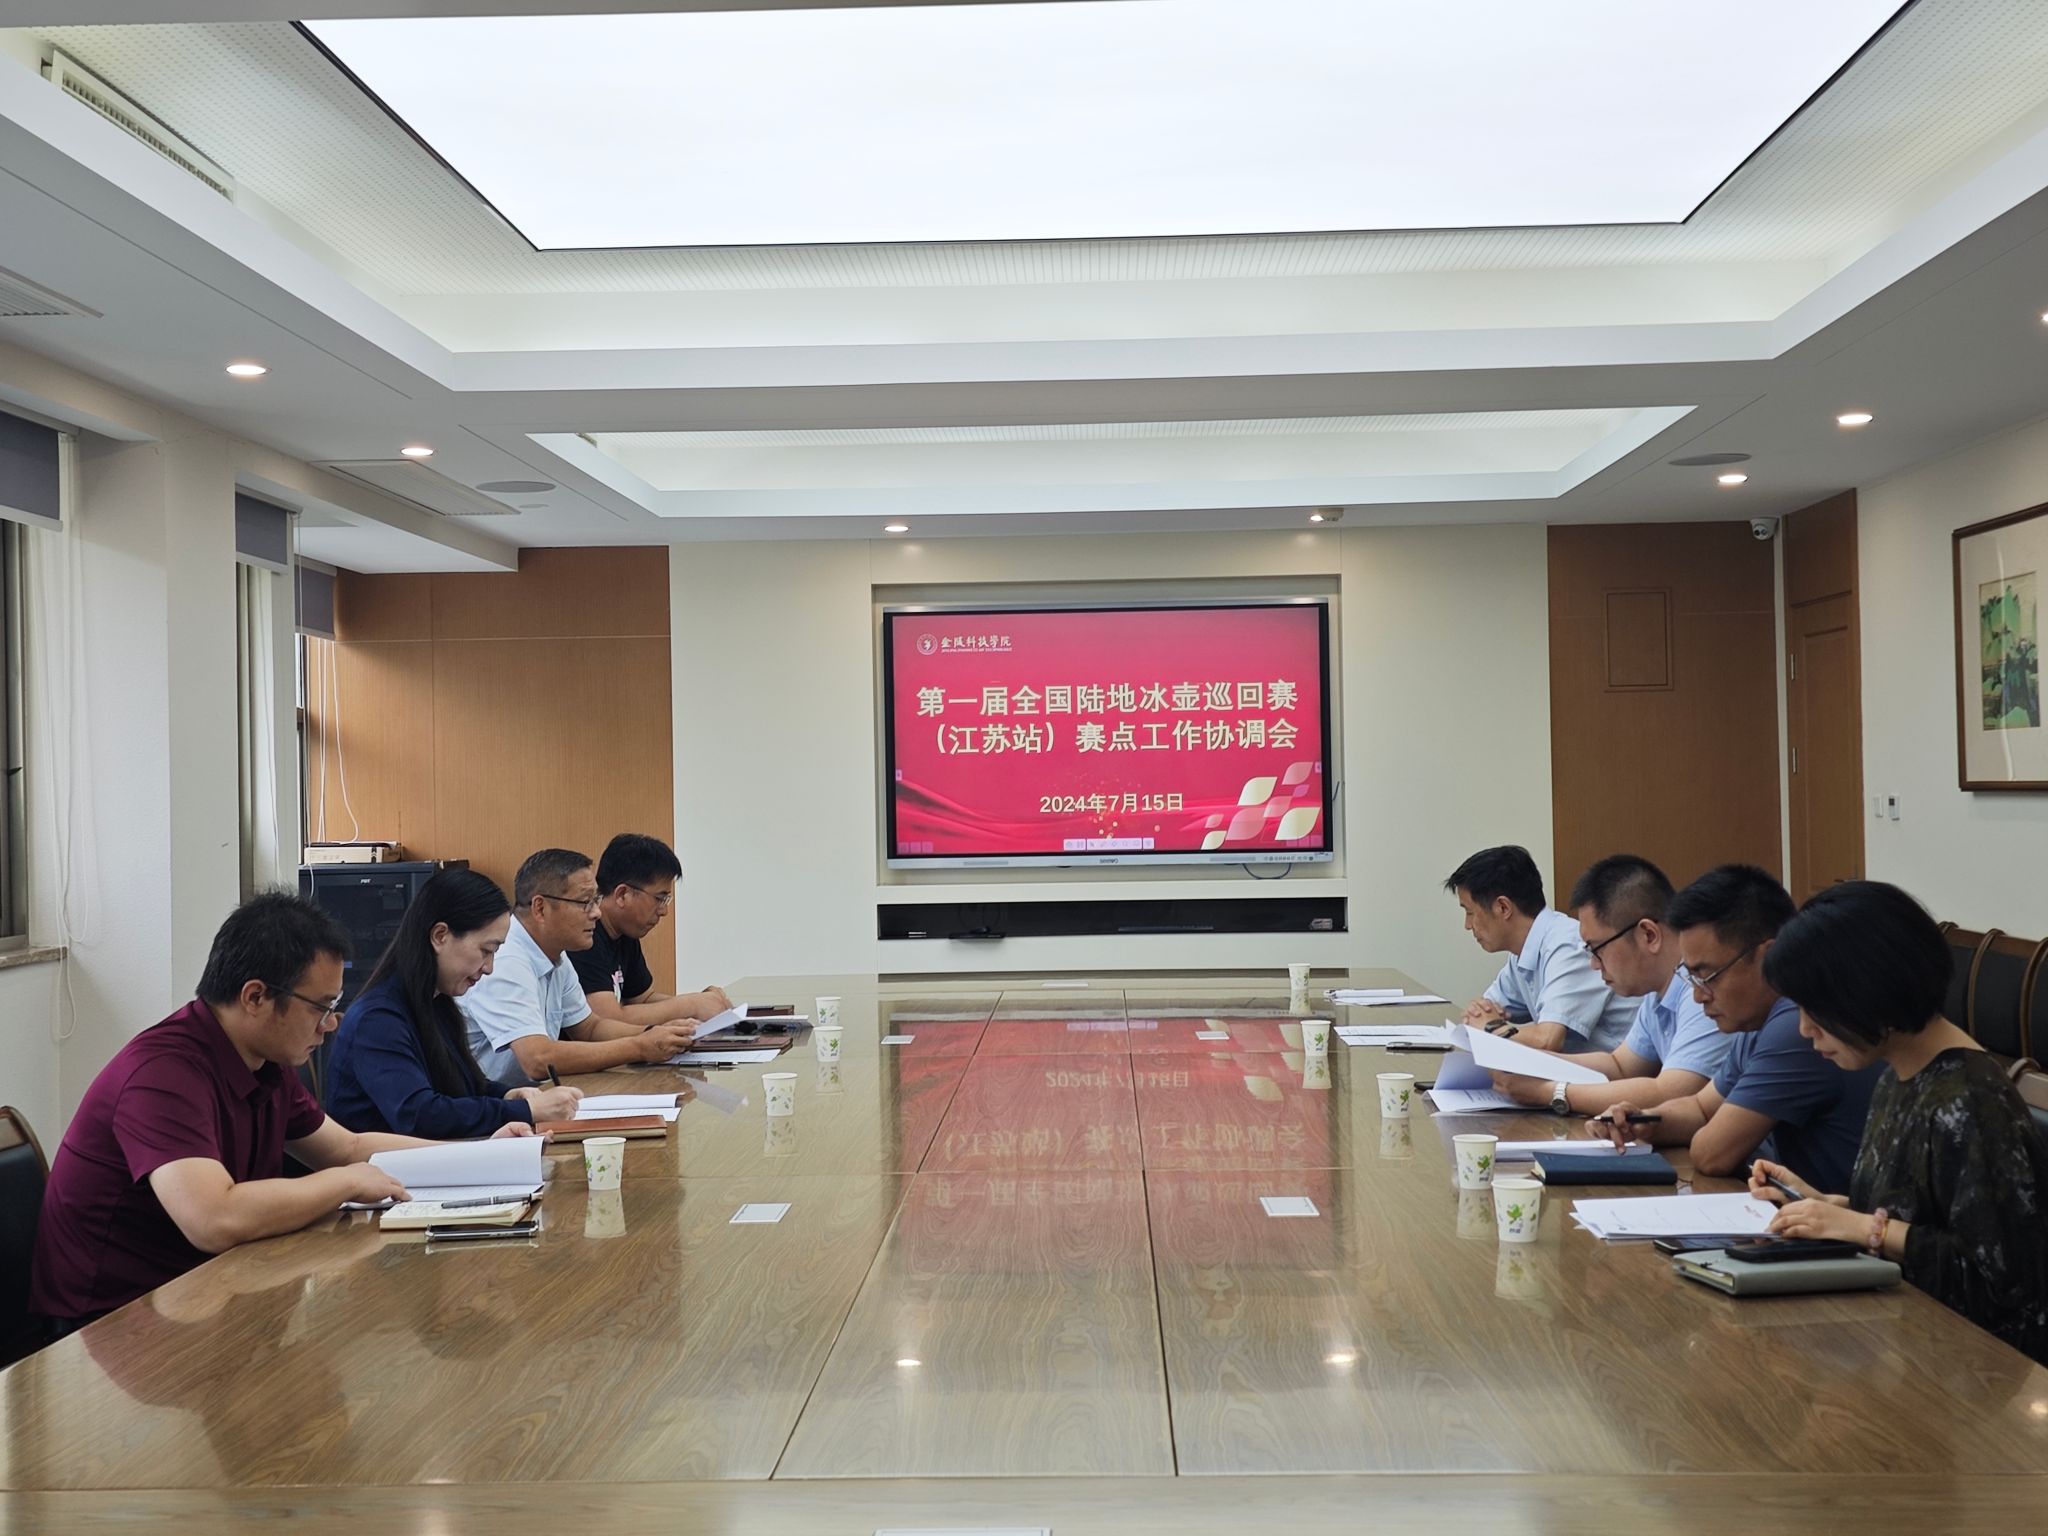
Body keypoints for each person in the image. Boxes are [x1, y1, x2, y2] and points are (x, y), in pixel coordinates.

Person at [28, 892, 528, 1333]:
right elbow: (214, 1217)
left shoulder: (263, 1059)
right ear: (256, 997)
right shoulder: (162, 1074)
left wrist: (478, 1156)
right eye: (321, 1006)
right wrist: (345, 1183)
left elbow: (348, 1147)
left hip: (209, 1292)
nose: (330, 1025)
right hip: (113, 1322)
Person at [1746, 881, 2048, 1365]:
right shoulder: (1898, 1075)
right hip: (1904, 1339)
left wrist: (1865, 1228)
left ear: (1867, 989)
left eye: (1814, 1008)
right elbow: (1915, 1216)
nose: (1804, 1029)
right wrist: (1822, 1206)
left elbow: (2001, 1286)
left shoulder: (1970, 1100)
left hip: (1975, 1369)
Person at [1590, 864, 1879, 1188]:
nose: (1698, 995)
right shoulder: (1757, 1021)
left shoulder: (1799, 1026)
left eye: (1708, 976)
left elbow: (1712, 1154)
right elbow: (1701, 1108)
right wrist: (1646, 1122)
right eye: (1691, 977)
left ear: (1770, 957)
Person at [325, 868, 585, 1136]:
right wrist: (526, 1110)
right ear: (440, 936)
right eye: (486, 950)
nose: (489, 968)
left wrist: (508, 1095)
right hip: (389, 1161)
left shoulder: (438, 1003)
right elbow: (420, 1115)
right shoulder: (377, 1019)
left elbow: (464, 1087)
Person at [1487, 853, 1732, 1116]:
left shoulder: (1702, 990)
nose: (1593, 964)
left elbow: (1671, 1092)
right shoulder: (1658, 992)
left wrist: (1550, 1092)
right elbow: (1620, 1066)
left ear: (1649, 935)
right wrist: (1528, 1062)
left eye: (1597, 949)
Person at [458, 847, 696, 1083]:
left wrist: (659, 1033)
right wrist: (639, 1047)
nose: (596, 913)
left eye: (596, 900)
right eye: (585, 902)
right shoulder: (505, 960)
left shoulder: (556, 955)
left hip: (535, 1097)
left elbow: (590, 1029)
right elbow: (537, 1060)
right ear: (540, 908)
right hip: (493, 1103)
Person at [1446, 844, 1635, 1052]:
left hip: (1623, 1070)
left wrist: (1490, 1027)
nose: (1467, 925)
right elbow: (1482, 1013)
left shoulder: (1568, 945)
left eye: (1470, 912)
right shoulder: (1522, 952)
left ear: (1503, 907)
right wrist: (1479, 1015)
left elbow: (1548, 1039)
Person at [573, 833, 731, 1027]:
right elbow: (606, 1020)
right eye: (659, 899)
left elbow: (643, 999)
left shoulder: (625, 932)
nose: (664, 911)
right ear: (622, 895)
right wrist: (690, 1005)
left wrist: (703, 1001)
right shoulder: (584, 936)